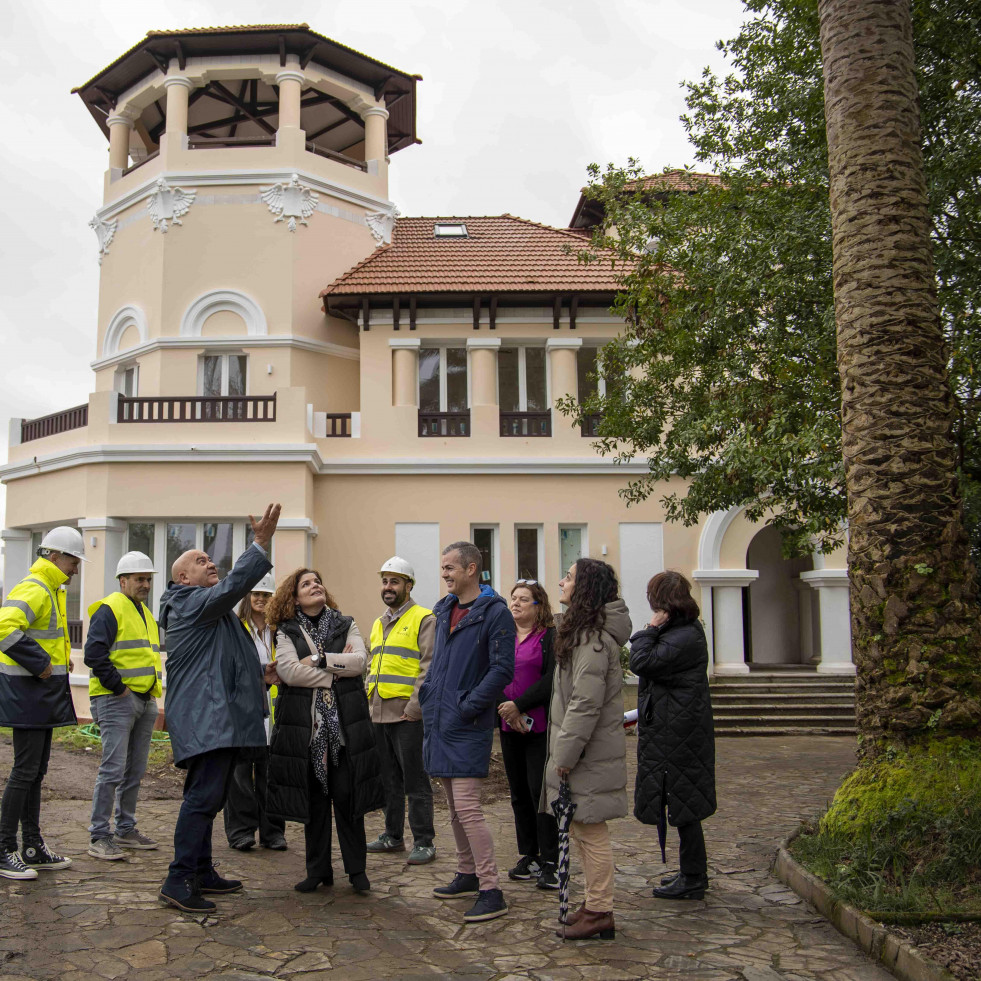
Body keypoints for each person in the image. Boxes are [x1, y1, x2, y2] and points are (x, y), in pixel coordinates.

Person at [156, 503, 281, 914]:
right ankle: (179, 879)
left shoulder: (210, 613)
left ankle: (202, 869)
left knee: (208, 797)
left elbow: (225, 659)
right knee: (203, 799)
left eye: (210, 558)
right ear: (182, 577)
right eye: (199, 560)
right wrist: (259, 544)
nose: (209, 562)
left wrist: (261, 672)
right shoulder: (191, 603)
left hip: (214, 717)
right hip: (207, 718)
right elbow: (235, 585)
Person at [265, 568, 383, 895]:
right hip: (308, 732)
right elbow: (288, 671)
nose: (315, 585)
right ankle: (318, 871)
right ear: (295, 595)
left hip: (345, 730)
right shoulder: (286, 629)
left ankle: (357, 871)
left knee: (347, 798)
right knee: (315, 803)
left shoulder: (346, 623)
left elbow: (360, 661)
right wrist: (334, 671)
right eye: (306, 584)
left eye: (318, 581)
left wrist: (316, 660)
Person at [420, 541, 515, 923]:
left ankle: (491, 889)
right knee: (455, 810)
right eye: (443, 568)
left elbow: (501, 670)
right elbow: (438, 663)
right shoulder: (444, 610)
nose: (444, 574)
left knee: (469, 808)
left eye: (450, 568)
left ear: (471, 569)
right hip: (440, 720)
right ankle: (467, 873)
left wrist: (470, 704)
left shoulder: (496, 613)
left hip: (466, 722)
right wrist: (428, 697)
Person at [543, 558, 631, 941]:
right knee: (580, 829)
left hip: (587, 755)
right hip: (584, 752)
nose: (561, 582)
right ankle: (595, 901)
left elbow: (584, 703)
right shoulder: (583, 634)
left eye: (569, 577)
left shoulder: (592, 641)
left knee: (591, 831)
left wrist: (563, 756)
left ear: (585, 589)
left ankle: (600, 909)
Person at [0, 527, 83, 880]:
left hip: (38, 695)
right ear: (53, 556)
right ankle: (5, 849)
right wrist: (42, 663)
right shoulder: (36, 587)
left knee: (35, 772)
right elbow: (4, 627)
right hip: (28, 695)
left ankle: (32, 847)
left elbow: (38, 636)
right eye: (73, 560)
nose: (76, 568)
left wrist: (60, 661)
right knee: (25, 772)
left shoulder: (50, 589)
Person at [630, 571, 716, 901]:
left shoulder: (684, 636)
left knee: (685, 806)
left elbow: (642, 661)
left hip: (679, 735)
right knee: (681, 803)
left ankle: (694, 877)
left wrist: (649, 630)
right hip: (673, 730)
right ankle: (690, 872)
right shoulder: (681, 631)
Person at [84, 550, 163, 861]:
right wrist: (120, 689)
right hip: (116, 699)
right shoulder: (110, 608)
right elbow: (94, 655)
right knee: (113, 769)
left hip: (144, 699)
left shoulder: (144, 613)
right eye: (139, 579)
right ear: (123, 580)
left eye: (148, 579)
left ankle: (125, 829)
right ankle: (99, 835)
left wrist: (146, 695)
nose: (145, 584)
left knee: (135, 770)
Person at [365, 557, 436, 865]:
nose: (388, 587)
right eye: (385, 581)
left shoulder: (424, 618)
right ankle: (393, 836)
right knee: (388, 780)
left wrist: (415, 707)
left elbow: (429, 666)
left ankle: (424, 841)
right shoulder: (378, 623)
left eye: (395, 581)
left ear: (409, 585)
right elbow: (372, 664)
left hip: (408, 715)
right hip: (378, 713)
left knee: (415, 780)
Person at [497, 579, 559, 890]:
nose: (516, 603)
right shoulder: (503, 637)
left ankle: (551, 860)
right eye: (513, 598)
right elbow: (493, 675)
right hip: (508, 726)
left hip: (538, 727)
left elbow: (552, 679)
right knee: (519, 793)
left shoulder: (549, 638)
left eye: (524, 599)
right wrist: (505, 708)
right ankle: (529, 855)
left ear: (539, 606)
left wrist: (519, 705)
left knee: (540, 793)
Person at [223, 571, 287, 852]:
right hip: (242, 714)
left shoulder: (279, 631)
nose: (261, 599)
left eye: (266, 595)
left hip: (274, 716)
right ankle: (241, 831)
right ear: (247, 597)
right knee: (239, 777)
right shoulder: (235, 629)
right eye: (256, 594)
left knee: (271, 777)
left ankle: (273, 832)